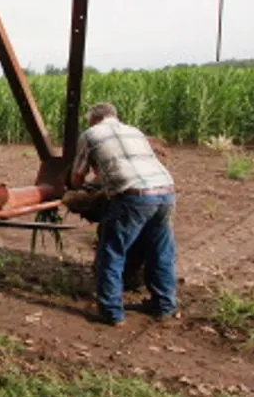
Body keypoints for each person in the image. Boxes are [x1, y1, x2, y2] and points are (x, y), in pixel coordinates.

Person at [69, 102, 178, 325]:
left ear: (93, 120)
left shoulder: (90, 134)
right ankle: (164, 305)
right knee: (159, 250)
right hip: (166, 192)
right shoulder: (135, 131)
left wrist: (77, 190)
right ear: (115, 117)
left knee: (111, 251)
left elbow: (77, 177)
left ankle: (111, 312)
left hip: (133, 196)